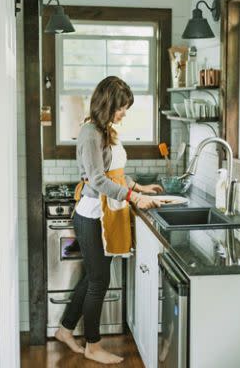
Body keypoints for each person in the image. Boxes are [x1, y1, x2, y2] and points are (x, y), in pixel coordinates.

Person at [55, 76, 163, 364]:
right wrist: (133, 197)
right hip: (92, 215)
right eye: (121, 107)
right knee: (99, 280)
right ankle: (93, 344)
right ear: (108, 104)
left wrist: (137, 187)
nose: (124, 113)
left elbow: (114, 171)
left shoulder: (106, 130)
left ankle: (65, 329)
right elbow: (98, 179)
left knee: (93, 277)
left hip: (105, 213)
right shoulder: (90, 132)